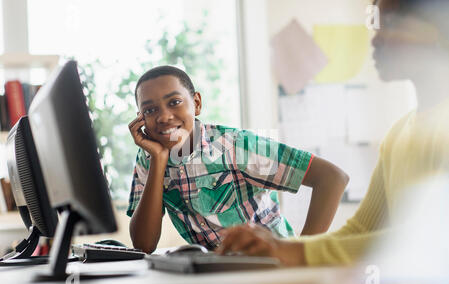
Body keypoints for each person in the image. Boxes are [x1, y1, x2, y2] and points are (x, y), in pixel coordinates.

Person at [216, 0, 449, 266]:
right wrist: (276, 247)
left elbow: (433, 236)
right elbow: (361, 232)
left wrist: (293, 252)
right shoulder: (399, 133)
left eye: (392, 25)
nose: (374, 41)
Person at [127, 66, 349, 253]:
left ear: (196, 103)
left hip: (274, 267)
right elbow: (143, 244)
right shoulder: (149, 157)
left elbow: (333, 178)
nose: (163, 116)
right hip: (221, 275)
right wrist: (158, 160)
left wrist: (303, 253)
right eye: (150, 110)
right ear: (140, 119)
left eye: (174, 102)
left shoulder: (236, 146)